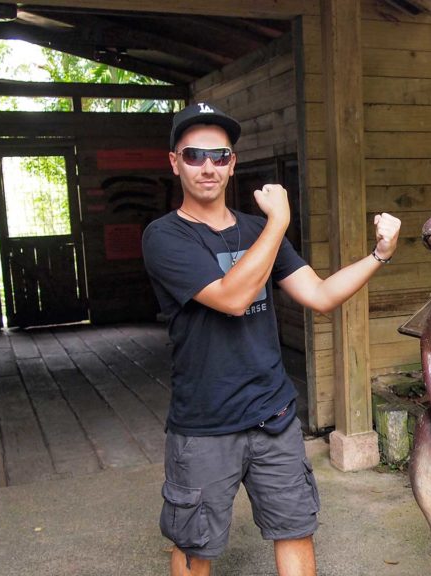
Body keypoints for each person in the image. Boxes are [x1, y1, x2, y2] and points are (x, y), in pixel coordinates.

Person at [142, 102, 401, 576]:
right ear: (174, 162)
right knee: (194, 546)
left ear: (232, 164)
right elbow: (231, 297)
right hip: (205, 426)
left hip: (273, 417)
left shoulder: (256, 229)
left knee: (295, 528)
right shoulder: (164, 237)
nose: (208, 167)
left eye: (220, 157)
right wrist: (280, 221)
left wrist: (379, 256)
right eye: (194, 155)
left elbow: (320, 295)